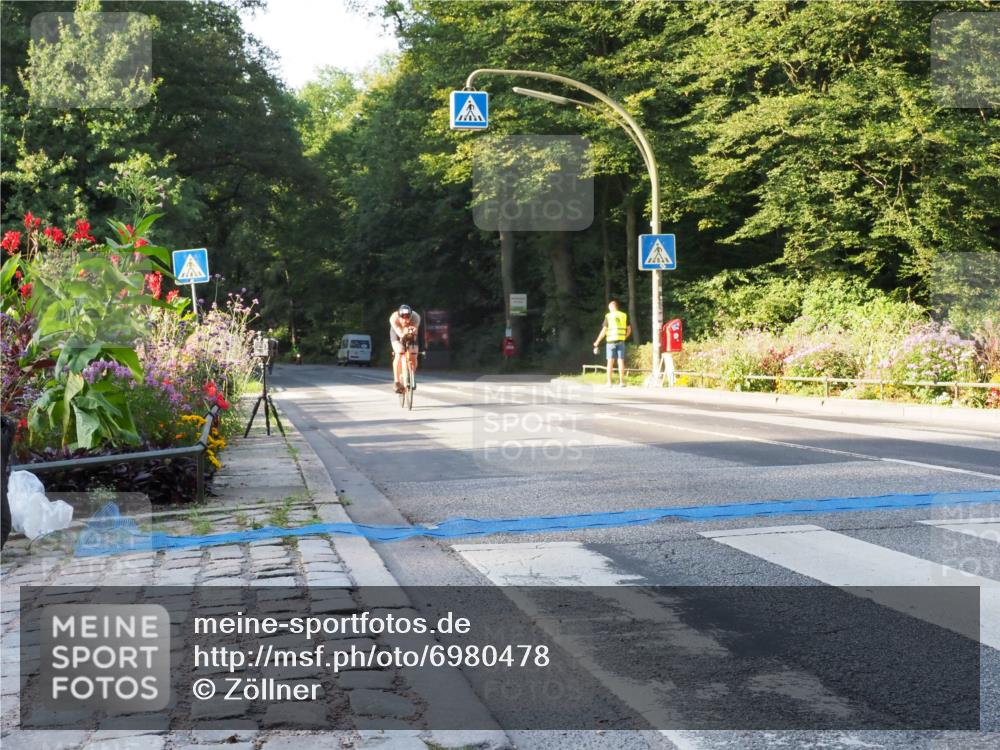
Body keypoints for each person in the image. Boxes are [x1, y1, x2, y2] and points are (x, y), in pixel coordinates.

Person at [592, 300, 631, 387]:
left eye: (609, 308)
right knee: (621, 361)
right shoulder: (623, 315)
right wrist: (624, 337)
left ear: (612, 307)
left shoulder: (609, 316)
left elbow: (604, 330)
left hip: (610, 342)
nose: (609, 310)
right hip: (621, 341)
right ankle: (622, 382)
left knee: (610, 362)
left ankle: (609, 382)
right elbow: (629, 329)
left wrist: (597, 341)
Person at [389, 305, 421, 393]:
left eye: (407, 317)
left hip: (411, 332)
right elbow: (399, 333)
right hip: (396, 333)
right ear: (399, 316)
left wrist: (412, 331)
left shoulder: (416, 317)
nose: (405, 320)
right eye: (402, 318)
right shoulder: (393, 318)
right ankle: (397, 382)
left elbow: (415, 332)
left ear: (411, 316)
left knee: (414, 353)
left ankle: (411, 376)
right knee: (399, 352)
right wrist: (404, 333)